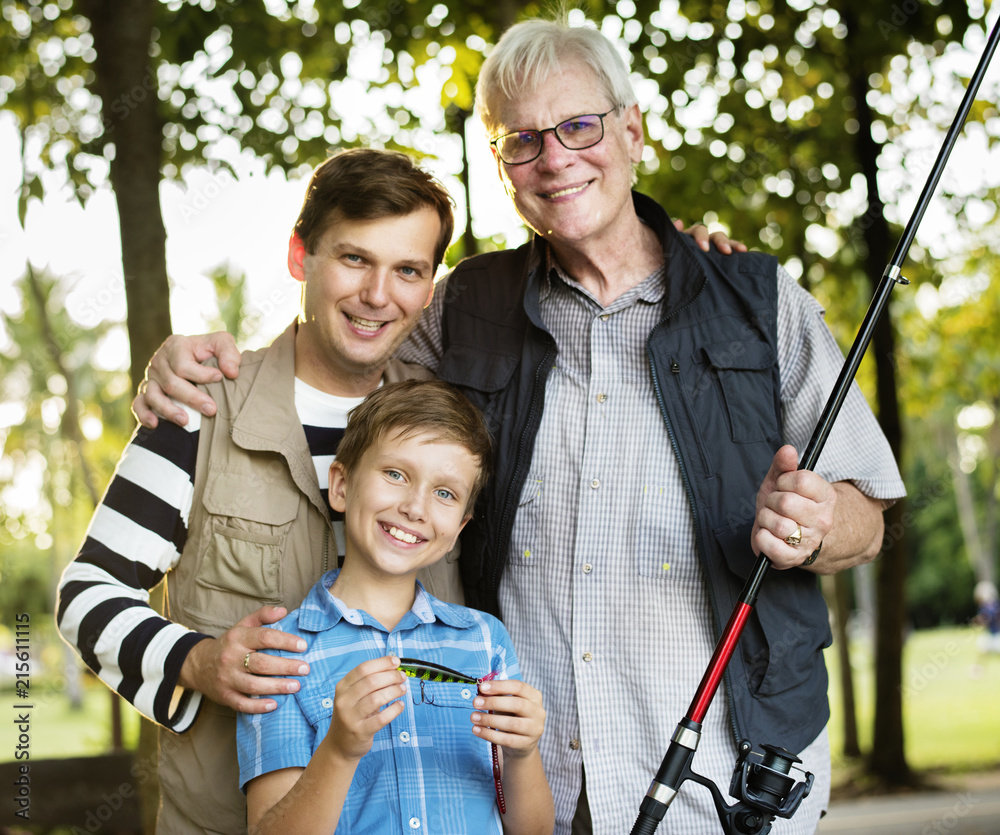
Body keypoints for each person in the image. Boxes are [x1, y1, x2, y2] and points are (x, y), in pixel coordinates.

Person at [132, 14, 905, 835]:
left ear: (633, 131)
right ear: (502, 170)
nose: (557, 159)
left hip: (725, 776)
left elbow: (873, 511)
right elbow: (342, 362)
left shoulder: (757, 302)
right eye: (522, 141)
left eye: (579, 126)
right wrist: (203, 365)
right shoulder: (462, 307)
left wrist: (825, 527)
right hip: (530, 779)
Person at [55, 148, 464, 834]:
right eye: (355, 259)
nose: (377, 294)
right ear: (301, 256)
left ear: (429, 288)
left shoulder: (450, 439)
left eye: (407, 270)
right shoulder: (197, 410)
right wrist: (197, 660)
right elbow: (86, 594)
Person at [236, 379, 554, 834]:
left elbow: (533, 831)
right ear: (342, 486)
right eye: (396, 474)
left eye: (445, 493)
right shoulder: (279, 657)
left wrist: (522, 753)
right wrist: (340, 749)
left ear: (459, 528)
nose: (415, 507)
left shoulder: (485, 641)